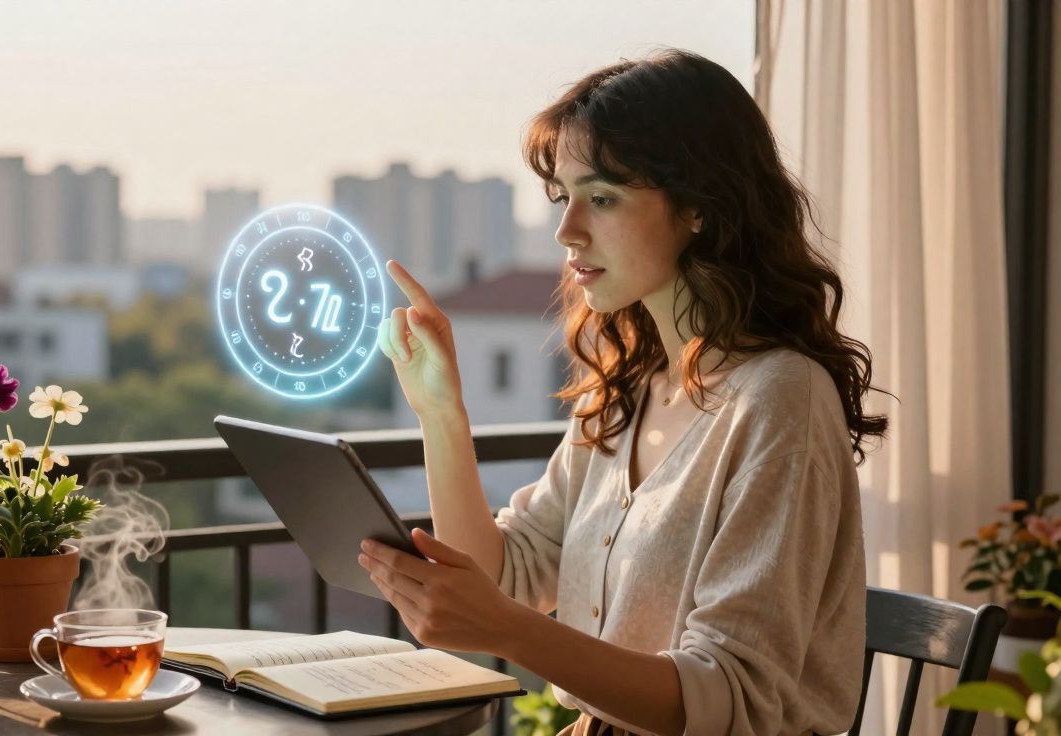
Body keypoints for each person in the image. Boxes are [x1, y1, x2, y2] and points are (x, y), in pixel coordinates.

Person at [356, 48, 887, 736]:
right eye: (564, 196)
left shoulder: (781, 398)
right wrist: (441, 414)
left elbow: (731, 699)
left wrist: (512, 633)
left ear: (699, 206)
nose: (566, 230)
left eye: (602, 198)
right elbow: (505, 575)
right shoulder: (627, 387)